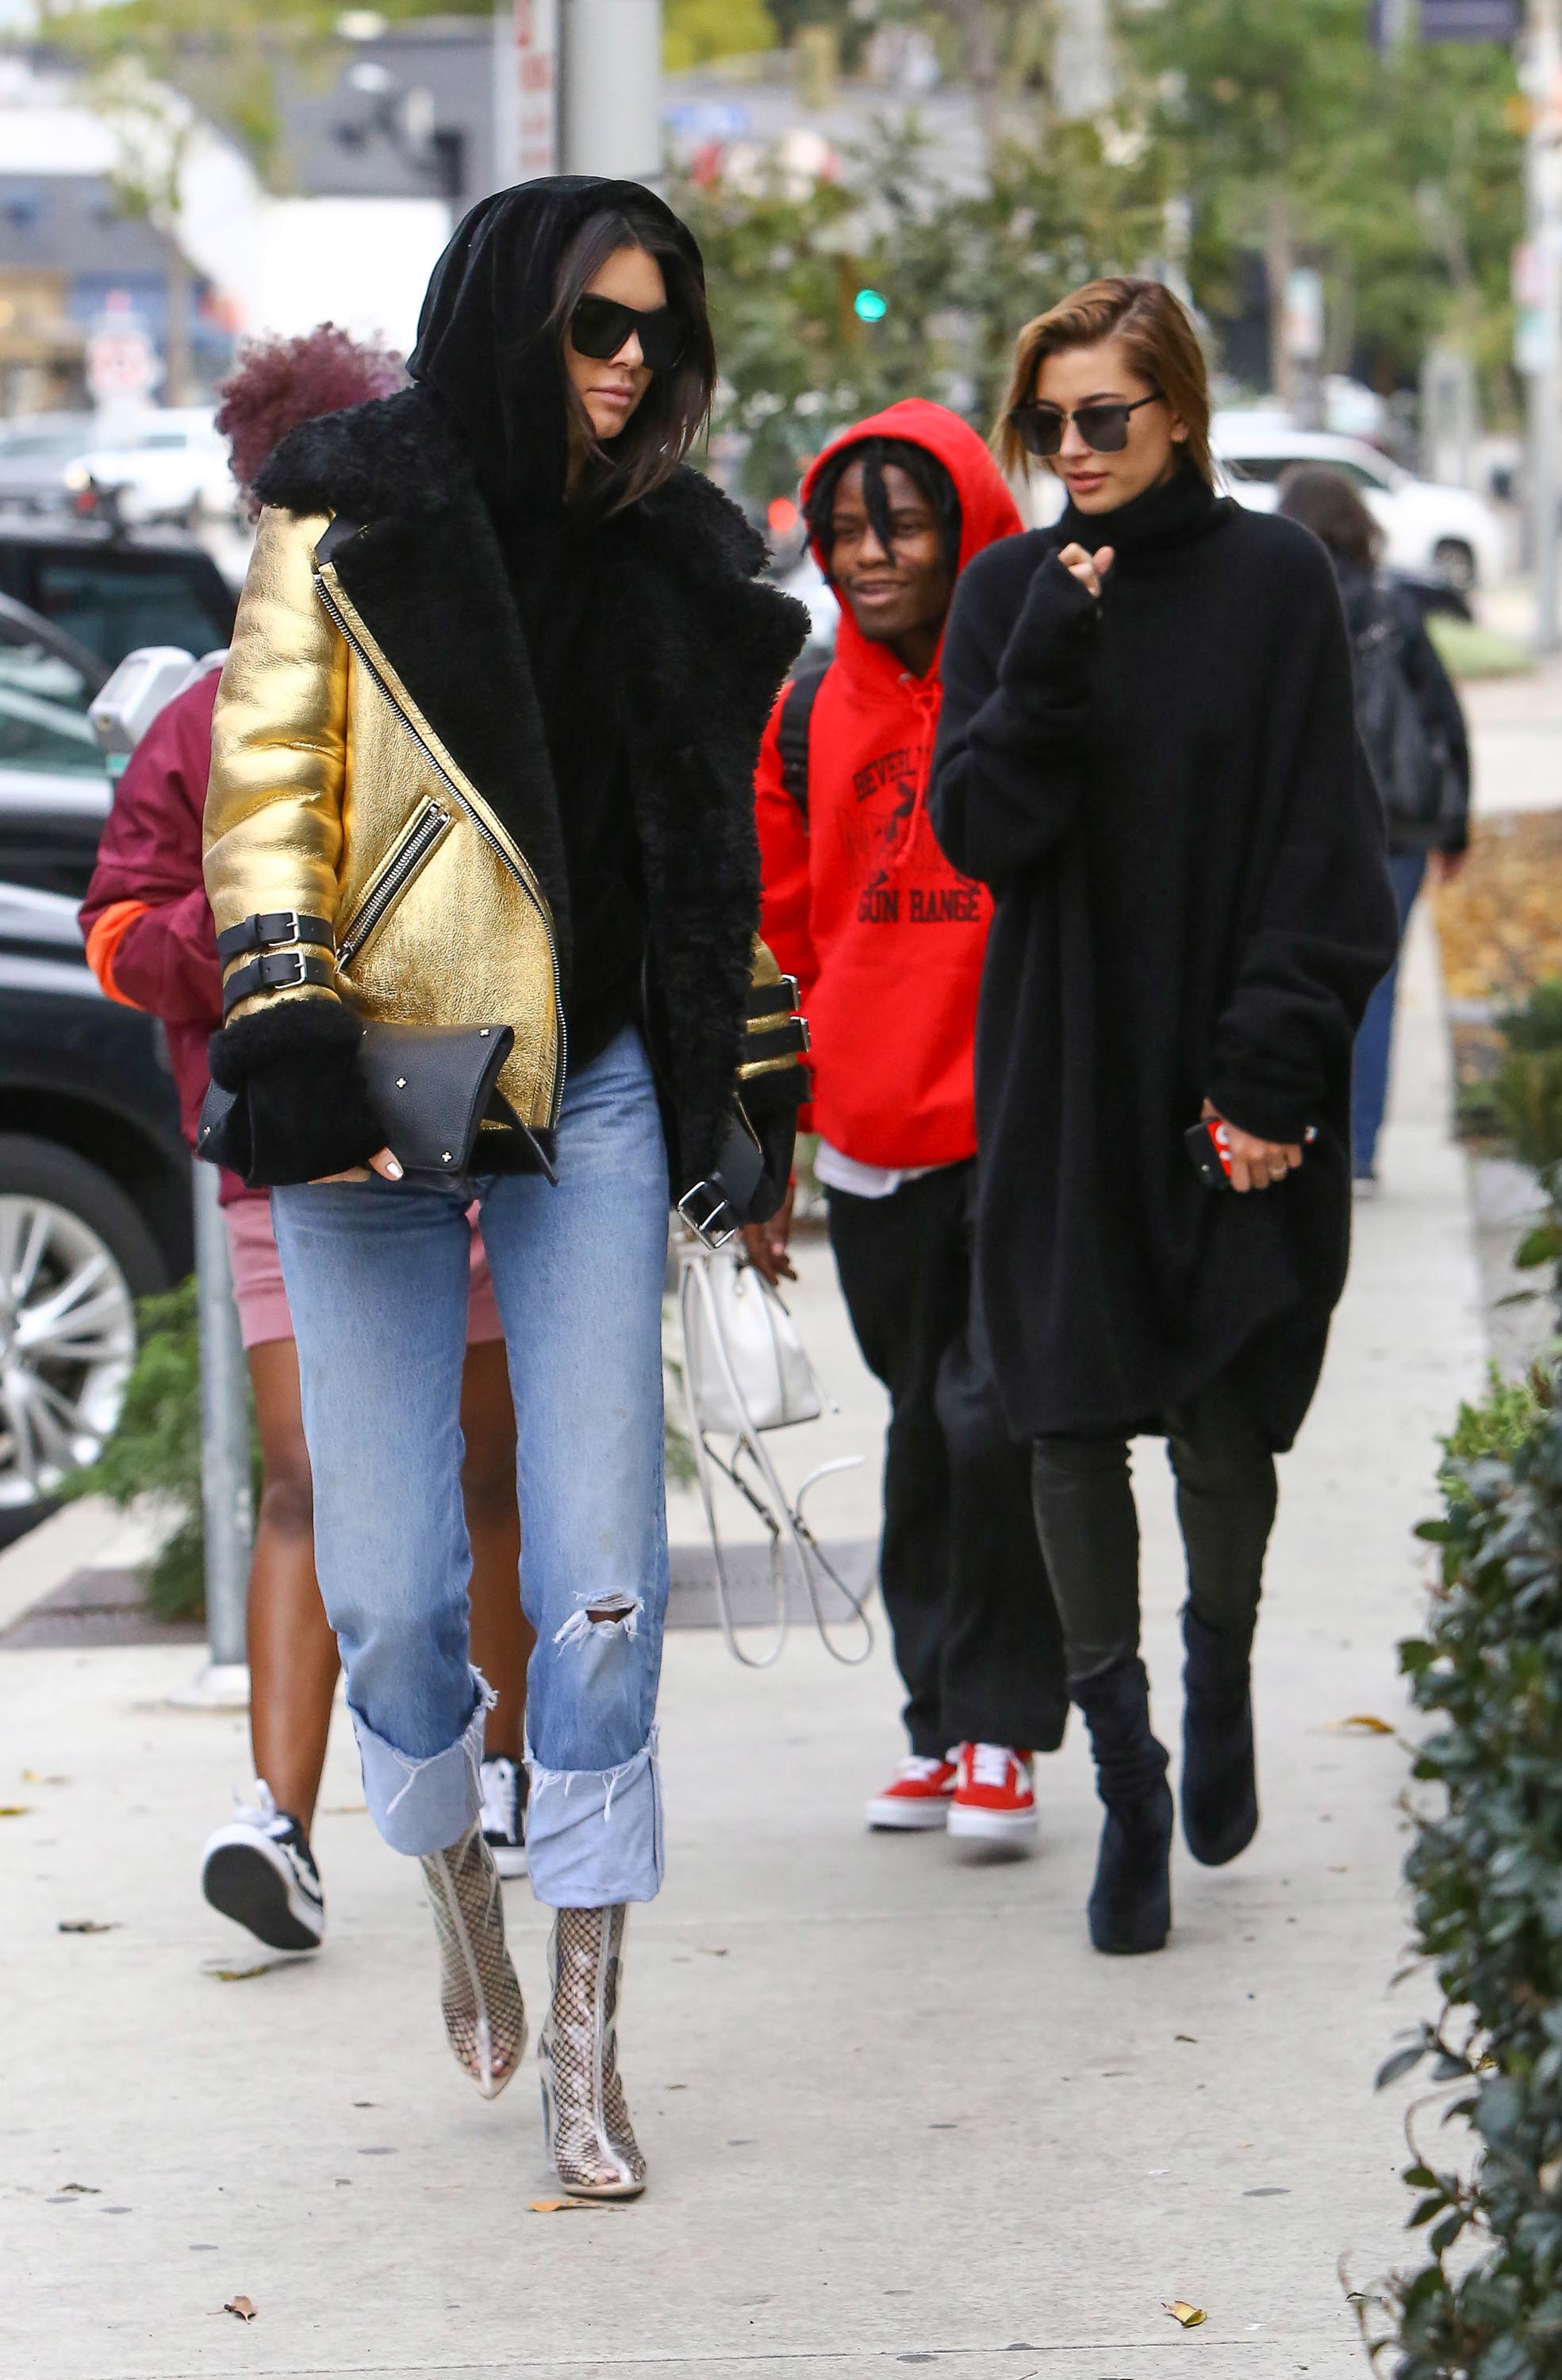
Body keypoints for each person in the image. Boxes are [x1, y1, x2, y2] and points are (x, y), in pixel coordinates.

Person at [200, 178, 806, 2195]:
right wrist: (288, 1039)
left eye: (652, 328)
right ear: (502, 312)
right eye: (589, 324)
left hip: (606, 1079)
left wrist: (750, 1079)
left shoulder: (682, 559)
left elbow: (720, 850)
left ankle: (590, 2043)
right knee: (385, 1592)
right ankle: (451, 1858)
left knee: (601, 1574)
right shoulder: (344, 506)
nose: (626, 362)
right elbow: (267, 783)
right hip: (373, 1081)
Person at [929, 278, 1397, 1958]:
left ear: (1177, 410)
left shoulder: (1273, 581)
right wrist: (1047, 655)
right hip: (1062, 1065)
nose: (1071, 450)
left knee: (1214, 1404)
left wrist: (1272, 1078)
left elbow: (1322, 847)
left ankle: (1218, 1666)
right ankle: (1124, 1773)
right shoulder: (1007, 593)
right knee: (1062, 1411)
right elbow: (982, 829)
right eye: (1045, 423)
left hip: (1224, 1063)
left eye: (1102, 418)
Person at [79, 327, 535, 1952]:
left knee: (482, 1474)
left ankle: (501, 1769)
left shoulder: (469, 682)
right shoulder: (205, 719)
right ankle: (278, 1822)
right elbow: (121, 927)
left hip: (461, 1133)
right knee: (304, 1476)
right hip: (288, 1160)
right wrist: (261, 944)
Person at [746, 400, 1068, 1848]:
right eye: (847, 530)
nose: (870, 556)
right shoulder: (807, 711)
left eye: (905, 524)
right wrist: (769, 1139)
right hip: (874, 1135)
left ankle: (1007, 1729)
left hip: (1019, 1120)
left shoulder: (1036, 680)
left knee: (987, 1416)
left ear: (971, 527)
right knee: (922, 1431)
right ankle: (939, 1726)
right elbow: (775, 945)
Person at [1274, 465, 1471, 1192]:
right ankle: (1357, 1151)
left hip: (1307, 829)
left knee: (1298, 975)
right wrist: (1454, 831)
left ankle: (1302, 1126)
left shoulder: (1282, 607)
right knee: (1379, 986)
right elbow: (1444, 721)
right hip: (1399, 828)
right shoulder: (1395, 605)